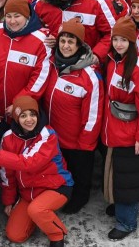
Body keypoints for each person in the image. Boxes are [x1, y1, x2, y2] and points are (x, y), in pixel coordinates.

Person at [0, 95, 72, 247]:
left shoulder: (47, 134)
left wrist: (0, 156)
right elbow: (7, 174)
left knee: (36, 210)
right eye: (23, 115)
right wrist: (9, 200)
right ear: (16, 118)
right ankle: (38, 216)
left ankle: (57, 234)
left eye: (33, 114)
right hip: (28, 194)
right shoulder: (8, 139)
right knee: (15, 235)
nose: (29, 119)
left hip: (55, 187)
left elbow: (31, 163)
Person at [101, 16, 139, 240]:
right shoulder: (115, 61)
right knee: (118, 175)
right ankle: (119, 206)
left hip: (130, 134)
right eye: (116, 39)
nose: (118, 44)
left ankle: (127, 222)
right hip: (115, 130)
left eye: (124, 40)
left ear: (132, 42)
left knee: (128, 180)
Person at [43, 18, 102, 214]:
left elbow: (93, 115)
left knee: (79, 173)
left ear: (79, 45)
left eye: (71, 42)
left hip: (77, 141)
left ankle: (80, 197)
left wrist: (85, 144)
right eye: (63, 41)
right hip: (54, 135)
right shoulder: (51, 64)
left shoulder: (89, 76)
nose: (66, 46)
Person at [0, 0, 51, 138]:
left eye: (17, 16)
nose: (11, 21)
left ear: (27, 15)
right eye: (8, 16)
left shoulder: (41, 40)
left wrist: (18, 104)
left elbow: (39, 79)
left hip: (23, 113)